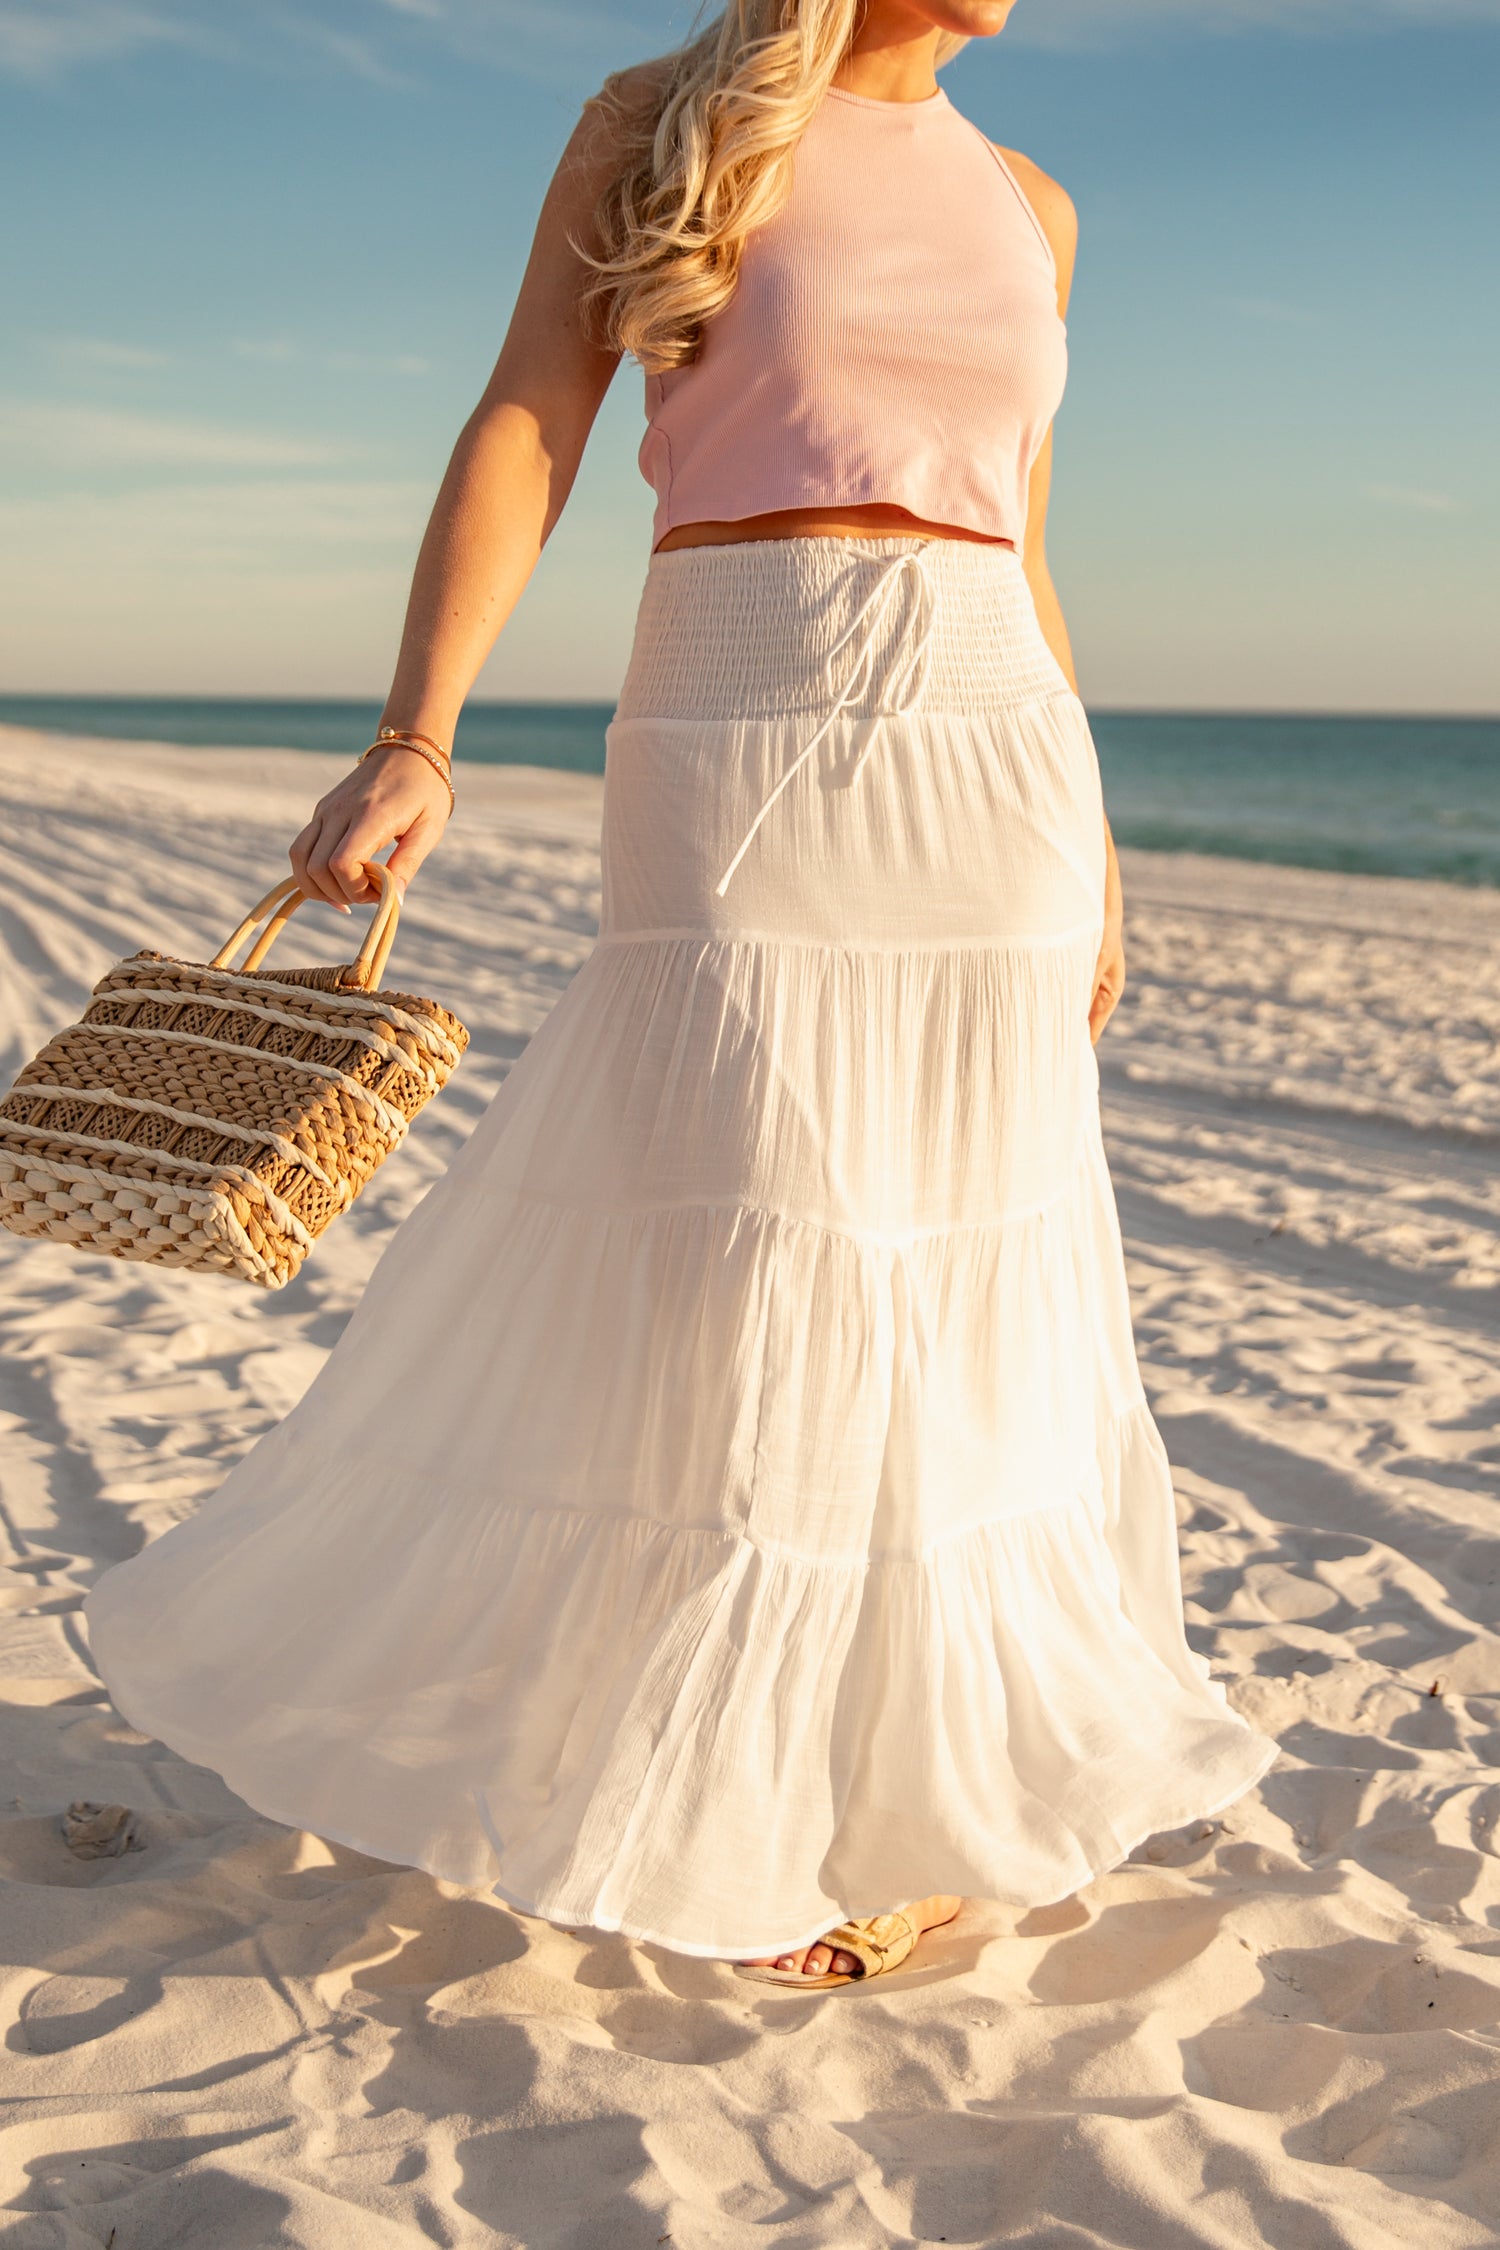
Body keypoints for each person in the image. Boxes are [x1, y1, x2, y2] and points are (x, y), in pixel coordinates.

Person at [85, 0, 1279, 1991]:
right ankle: (722, 1758)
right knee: (754, 1253)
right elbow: (527, 419)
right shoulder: (658, 124)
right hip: (741, 712)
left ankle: (891, 1803)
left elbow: (1023, 535)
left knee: (945, 1268)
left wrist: (1100, 849)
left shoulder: (1032, 201)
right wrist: (416, 736)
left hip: (991, 758)